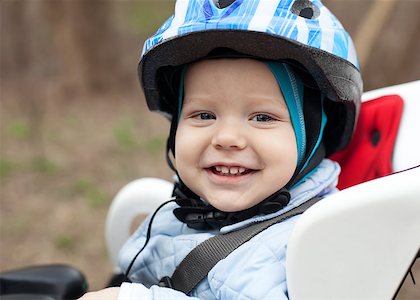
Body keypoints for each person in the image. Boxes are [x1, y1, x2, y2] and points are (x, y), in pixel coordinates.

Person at [80, 0, 362, 299]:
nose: (227, 138)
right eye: (204, 115)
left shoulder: (312, 243)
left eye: (262, 117)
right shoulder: (183, 210)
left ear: (315, 134)